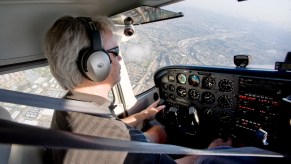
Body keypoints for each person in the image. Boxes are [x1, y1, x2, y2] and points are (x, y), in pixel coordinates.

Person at [44, 16, 276, 164]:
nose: (120, 56)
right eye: (114, 50)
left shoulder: (67, 109)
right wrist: (211, 151)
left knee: (158, 131)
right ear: (96, 64)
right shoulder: (119, 142)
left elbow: (108, 131)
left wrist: (142, 116)